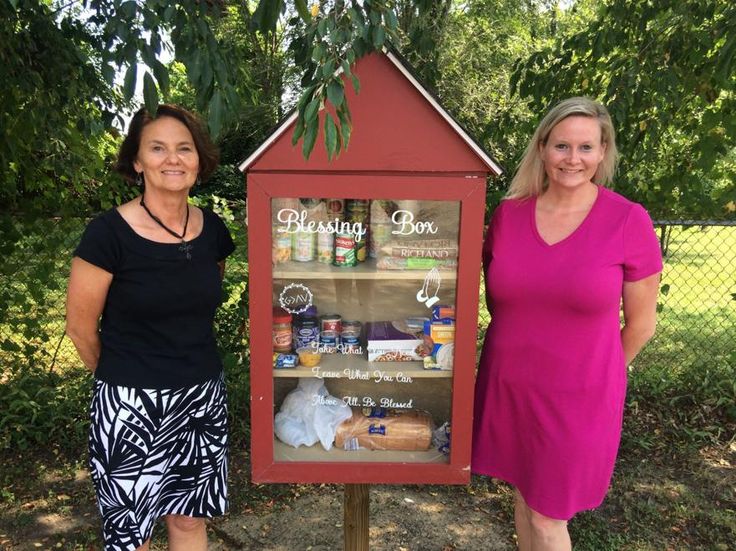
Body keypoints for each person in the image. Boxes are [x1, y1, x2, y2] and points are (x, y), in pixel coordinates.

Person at [472, 97, 663, 550]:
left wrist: (599, 373)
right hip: (510, 385)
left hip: (581, 395)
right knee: (523, 496)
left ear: (602, 152)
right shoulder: (509, 215)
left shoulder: (627, 220)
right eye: (561, 146)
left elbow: (641, 325)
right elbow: (504, 303)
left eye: (585, 147)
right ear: (542, 148)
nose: (572, 159)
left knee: (547, 515)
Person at [65, 104, 235, 551]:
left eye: (184, 148)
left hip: (201, 400)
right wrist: (126, 378)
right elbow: (80, 328)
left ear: (199, 160)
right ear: (137, 161)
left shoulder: (212, 230)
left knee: (189, 524)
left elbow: (198, 302)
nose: (172, 159)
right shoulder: (107, 235)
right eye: (157, 148)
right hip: (129, 409)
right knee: (130, 538)